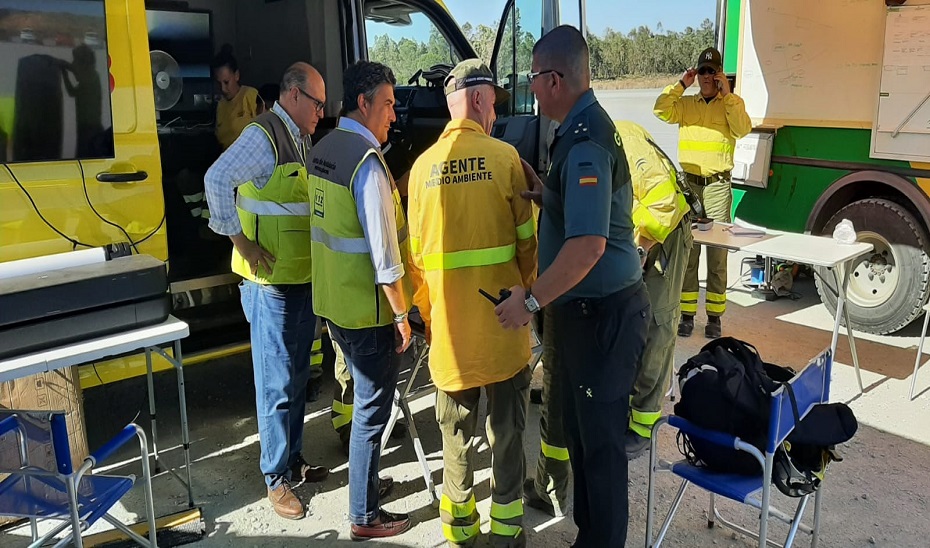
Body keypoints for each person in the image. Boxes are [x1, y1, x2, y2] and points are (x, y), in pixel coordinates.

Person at [496, 26, 650, 548]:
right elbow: (587, 214)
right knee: (586, 438)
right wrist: (548, 194)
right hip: (591, 311)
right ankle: (591, 535)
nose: (531, 89)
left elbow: (589, 248)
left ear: (555, 79)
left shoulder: (585, 141)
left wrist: (532, 300)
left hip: (603, 314)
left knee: (601, 447)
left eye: (534, 79)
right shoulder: (576, 128)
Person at [407, 59, 538, 548]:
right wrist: (529, 295)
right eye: (494, 104)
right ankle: (506, 534)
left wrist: (432, 311)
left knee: (455, 438)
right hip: (504, 331)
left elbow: (415, 259)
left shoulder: (420, 170)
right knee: (506, 436)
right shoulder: (505, 159)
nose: (495, 114)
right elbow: (530, 247)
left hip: (451, 336)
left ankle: (460, 532)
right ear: (481, 100)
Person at [203, 62, 329, 520]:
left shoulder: (299, 137)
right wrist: (243, 243)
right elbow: (215, 181)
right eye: (316, 103)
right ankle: (275, 478)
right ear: (294, 96)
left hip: (297, 279)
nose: (321, 111)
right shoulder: (264, 136)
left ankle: (293, 460)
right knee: (275, 384)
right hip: (269, 285)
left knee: (297, 377)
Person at [307, 60, 412, 540]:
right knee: (373, 412)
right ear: (364, 103)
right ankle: (364, 517)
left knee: (363, 405)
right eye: (388, 103)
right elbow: (385, 256)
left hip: (332, 301)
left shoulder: (324, 147)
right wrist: (403, 314)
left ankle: (364, 491)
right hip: (366, 310)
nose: (394, 113)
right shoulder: (366, 163)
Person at [654, 46, 751, 339]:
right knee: (689, 251)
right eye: (702, 71)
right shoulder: (685, 104)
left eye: (712, 71)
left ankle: (714, 317)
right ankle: (686, 314)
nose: (706, 77)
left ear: (719, 74)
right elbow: (660, 109)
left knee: (717, 254)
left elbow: (743, 129)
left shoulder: (731, 104)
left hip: (718, 187)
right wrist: (682, 84)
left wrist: (728, 94)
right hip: (690, 186)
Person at [615, 121, 693, 459]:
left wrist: (640, 250)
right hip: (638, 237)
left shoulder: (624, 143)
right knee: (629, 323)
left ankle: (643, 427)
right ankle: (624, 407)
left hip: (665, 237)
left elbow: (662, 199)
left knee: (656, 325)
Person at [212, 45, 264, 150]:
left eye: (226, 82)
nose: (223, 88)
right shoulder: (221, 105)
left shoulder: (250, 95)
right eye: (219, 83)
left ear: (236, 76)